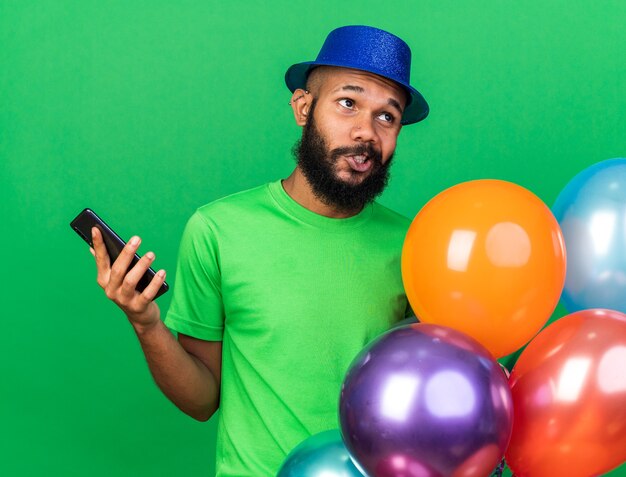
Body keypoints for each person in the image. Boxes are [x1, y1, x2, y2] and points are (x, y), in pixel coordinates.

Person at [89, 25, 429, 477]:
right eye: (347, 103)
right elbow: (202, 399)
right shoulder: (218, 230)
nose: (366, 132)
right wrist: (145, 322)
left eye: (387, 116)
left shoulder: (417, 244)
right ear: (303, 108)